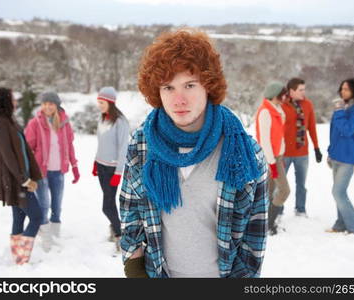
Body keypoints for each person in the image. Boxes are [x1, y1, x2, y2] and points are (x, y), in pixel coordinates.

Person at [120, 29, 268, 278]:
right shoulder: (143, 143)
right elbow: (131, 209)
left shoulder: (244, 152)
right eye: (168, 87)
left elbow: (255, 234)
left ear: (208, 85)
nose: (179, 99)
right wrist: (135, 270)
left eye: (189, 85)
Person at [0, 87, 43, 265]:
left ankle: (19, 258)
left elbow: (22, 152)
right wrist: (25, 180)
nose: (16, 102)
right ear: (4, 101)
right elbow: (8, 157)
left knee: (19, 216)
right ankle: (22, 258)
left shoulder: (8, 121)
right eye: (12, 99)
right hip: (15, 180)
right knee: (37, 216)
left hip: (19, 178)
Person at [24, 91, 80, 251]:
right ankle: (46, 237)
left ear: (56, 105)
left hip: (59, 171)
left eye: (50, 104)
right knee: (44, 204)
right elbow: (27, 149)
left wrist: (74, 166)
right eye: (44, 104)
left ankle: (55, 235)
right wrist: (29, 171)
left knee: (57, 205)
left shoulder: (64, 123)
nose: (47, 107)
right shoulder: (35, 123)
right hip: (41, 172)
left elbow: (69, 146)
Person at [326, 78, 354, 234]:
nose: (342, 92)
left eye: (346, 89)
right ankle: (341, 224)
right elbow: (335, 132)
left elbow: (347, 130)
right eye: (342, 89)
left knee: (338, 192)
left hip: (349, 157)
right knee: (339, 193)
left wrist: (338, 111)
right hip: (337, 155)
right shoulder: (344, 107)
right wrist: (330, 152)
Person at [92, 86, 129, 251]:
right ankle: (114, 230)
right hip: (101, 166)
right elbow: (101, 143)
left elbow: (123, 149)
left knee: (106, 206)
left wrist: (118, 173)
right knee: (110, 202)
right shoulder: (102, 119)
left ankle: (121, 236)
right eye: (98, 102)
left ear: (110, 102)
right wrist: (95, 162)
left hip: (112, 169)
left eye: (102, 102)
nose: (99, 105)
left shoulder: (121, 122)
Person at [281, 78, 321, 217]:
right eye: (301, 90)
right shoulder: (281, 104)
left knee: (301, 185)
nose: (304, 92)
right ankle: (277, 211)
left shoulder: (308, 104)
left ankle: (300, 209)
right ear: (291, 91)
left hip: (302, 153)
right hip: (284, 153)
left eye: (304, 89)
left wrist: (316, 148)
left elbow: (312, 127)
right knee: (280, 185)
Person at [255, 82, 290, 235]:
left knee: (268, 192)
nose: (286, 96)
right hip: (270, 158)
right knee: (284, 190)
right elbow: (265, 141)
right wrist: (273, 164)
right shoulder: (265, 112)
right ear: (275, 94)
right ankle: (269, 224)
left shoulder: (277, 109)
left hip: (277, 156)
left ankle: (264, 224)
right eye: (283, 93)